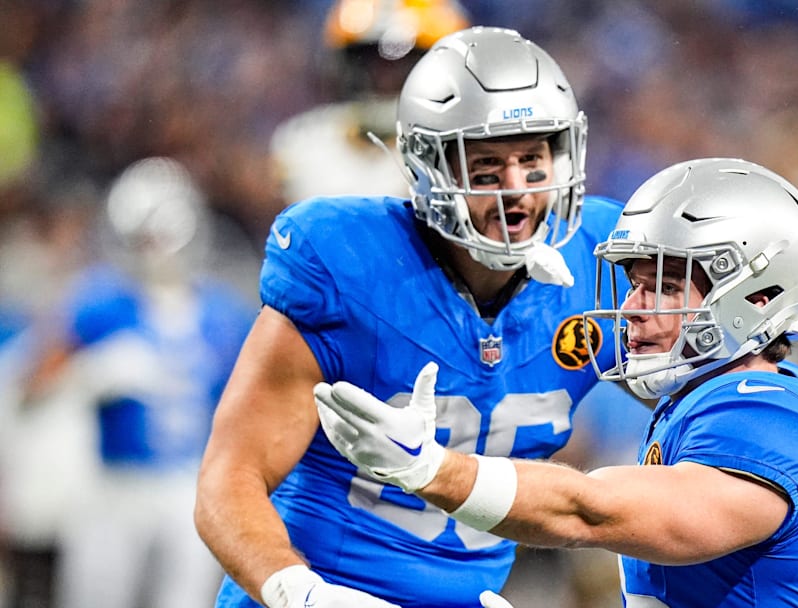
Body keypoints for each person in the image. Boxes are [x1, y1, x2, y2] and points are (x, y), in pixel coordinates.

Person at [317, 158, 798, 607]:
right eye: (634, 283)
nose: (633, 308)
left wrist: (433, 470)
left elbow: (591, 511)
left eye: (661, 286)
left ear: (757, 298)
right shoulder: (700, 405)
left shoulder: (772, 415)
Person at [194, 26, 628, 608]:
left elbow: (708, 408)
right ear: (428, 167)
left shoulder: (602, 258)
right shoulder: (348, 262)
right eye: (486, 167)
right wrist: (301, 593)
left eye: (533, 159)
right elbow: (229, 480)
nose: (517, 192)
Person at [17, 156, 255, 608]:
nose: (151, 249)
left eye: (158, 236)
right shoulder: (99, 301)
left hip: (189, 486)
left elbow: (250, 408)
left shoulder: (223, 314)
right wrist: (86, 377)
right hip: (116, 487)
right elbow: (30, 388)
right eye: (141, 238)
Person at [270, 0, 470, 203]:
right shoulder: (304, 144)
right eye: (369, 62)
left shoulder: (461, 148)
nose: (383, 79)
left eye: (402, 64)